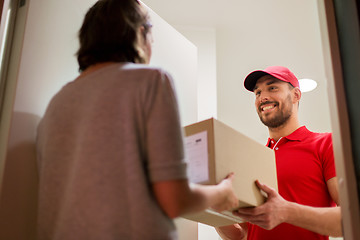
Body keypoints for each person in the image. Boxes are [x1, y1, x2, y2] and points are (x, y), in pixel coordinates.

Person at [35, 1, 239, 239]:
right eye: (152, 33)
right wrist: (222, 193)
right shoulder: (151, 82)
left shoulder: (56, 104)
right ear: (141, 32)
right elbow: (175, 200)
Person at [216, 66, 342, 240]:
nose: (263, 97)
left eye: (272, 88)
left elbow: (350, 218)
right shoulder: (252, 157)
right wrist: (213, 210)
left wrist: (287, 212)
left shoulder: (326, 143)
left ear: (296, 95)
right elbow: (243, 234)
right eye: (257, 92)